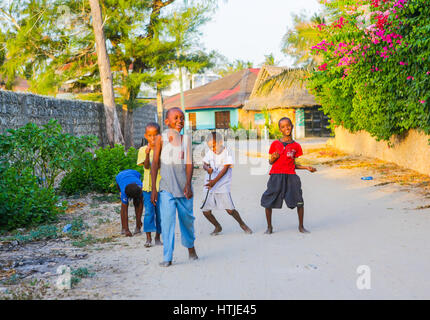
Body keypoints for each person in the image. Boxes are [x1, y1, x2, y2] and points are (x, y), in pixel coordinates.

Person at [151, 107, 198, 267]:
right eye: (176, 118)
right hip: (166, 189)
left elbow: (189, 163)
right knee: (167, 221)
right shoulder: (160, 139)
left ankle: (191, 248)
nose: (180, 121)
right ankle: (167, 257)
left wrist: (188, 185)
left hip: (184, 189)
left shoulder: (186, 139)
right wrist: (154, 189)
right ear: (167, 122)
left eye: (182, 118)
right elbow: (155, 164)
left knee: (187, 220)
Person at [260, 117, 317, 234]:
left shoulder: (296, 146)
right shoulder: (275, 144)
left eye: (288, 125)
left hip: (291, 176)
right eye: (283, 127)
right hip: (276, 176)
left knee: (299, 201)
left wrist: (307, 167)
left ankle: (301, 227)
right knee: (269, 200)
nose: (286, 128)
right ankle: (269, 227)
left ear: (292, 126)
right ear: (280, 129)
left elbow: (293, 164)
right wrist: (273, 158)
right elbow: (271, 162)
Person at [201, 131, 252, 235]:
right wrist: (207, 168)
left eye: (214, 146)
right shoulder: (210, 152)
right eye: (210, 147)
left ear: (221, 142)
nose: (212, 149)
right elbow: (204, 164)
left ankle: (242, 224)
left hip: (222, 185)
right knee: (206, 211)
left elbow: (225, 170)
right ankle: (217, 226)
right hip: (209, 185)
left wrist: (214, 181)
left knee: (230, 210)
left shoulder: (227, 152)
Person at [137, 122, 162, 248]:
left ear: (160, 136)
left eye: (156, 135)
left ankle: (158, 237)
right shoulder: (142, 150)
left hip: (161, 188)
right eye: (150, 135)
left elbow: (161, 165)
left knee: (160, 213)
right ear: (146, 136)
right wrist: (147, 154)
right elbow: (146, 167)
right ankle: (148, 238)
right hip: (147, 188)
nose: (153, 138)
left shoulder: (163, 149)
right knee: (148, 213)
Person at [115, 169, 143, 237]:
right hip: (120, 177)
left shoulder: (140, 187)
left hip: (134, 173)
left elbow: (141, 205)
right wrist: (126, 230)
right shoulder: (124, 192)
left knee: (138, 202)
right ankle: (123, 228)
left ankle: (138, 227)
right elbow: (124, 211)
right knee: (124, 204)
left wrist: (138, 223)